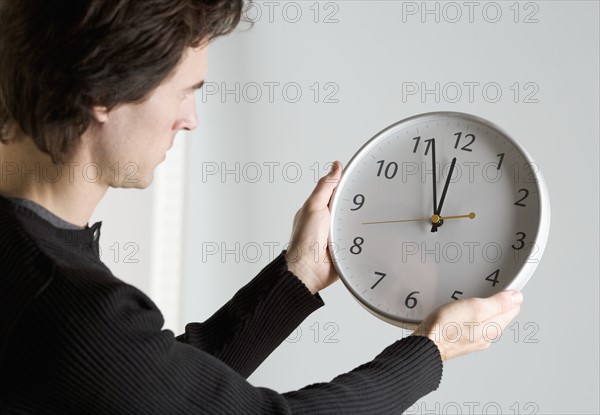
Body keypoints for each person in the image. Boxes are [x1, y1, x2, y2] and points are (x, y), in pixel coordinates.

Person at [0, 0, 523, 413]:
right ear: (104, 91)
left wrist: (298, 275)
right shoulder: (62, 298)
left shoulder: (31, 258)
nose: (191, 119)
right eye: (185, 91)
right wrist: (432, 350)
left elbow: (157, 391)